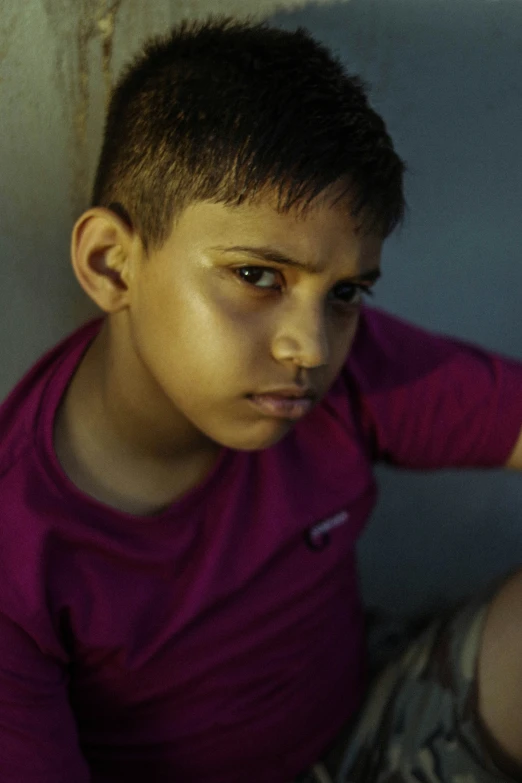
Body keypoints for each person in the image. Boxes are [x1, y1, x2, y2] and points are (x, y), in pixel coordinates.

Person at [1, 15, 522, 783]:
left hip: (369, 725)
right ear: (113, 264)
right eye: (256, 276)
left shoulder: (345, 372)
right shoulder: (18, 555)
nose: (309, 346)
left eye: (344, 292)